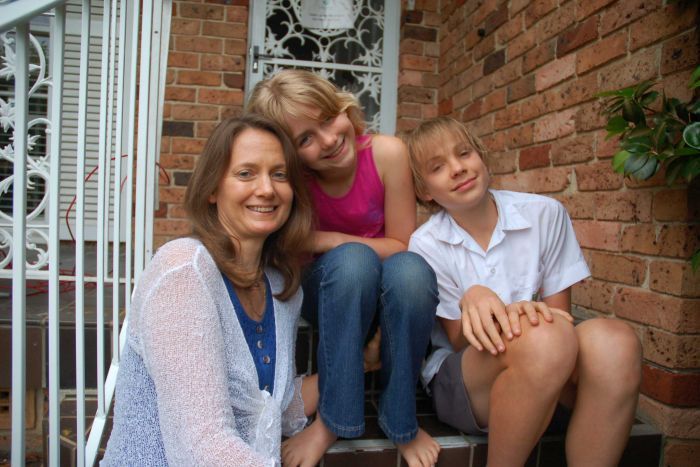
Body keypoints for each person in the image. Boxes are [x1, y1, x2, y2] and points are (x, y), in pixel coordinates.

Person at [404, 116, 642, 467]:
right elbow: (460, 342)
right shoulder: (425, 244)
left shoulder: (544, 214)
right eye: (438, 167)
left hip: (547, 365)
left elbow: (559, 315)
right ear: (425, 191)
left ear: (482, 158)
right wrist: (476, 295)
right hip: (468, 379)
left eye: (465, 153)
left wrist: (515, 311)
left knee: (616, 341)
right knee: (543, 338)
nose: (458, 169)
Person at [247, 69, 441, 467]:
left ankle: (401, 418)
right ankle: (332, 420)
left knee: (414, 270)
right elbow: (285, 251)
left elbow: (403, 244)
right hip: (331, 290)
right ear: (289, 152)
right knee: (354, 264)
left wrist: (330, 239)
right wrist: (344, 251)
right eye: (305, 139)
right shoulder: (294, 181)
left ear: (343, 108)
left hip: (389, 285)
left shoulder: (387, 154)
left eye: (327, 120)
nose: (329, 140)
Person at [101, 114, 318, 466]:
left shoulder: (281, 289)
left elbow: (272, 405)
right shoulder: (183, 271)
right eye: (246, 173)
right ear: (213, 189)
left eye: (279, 174)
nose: (266, 189)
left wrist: (358, 364)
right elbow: (201, 447)